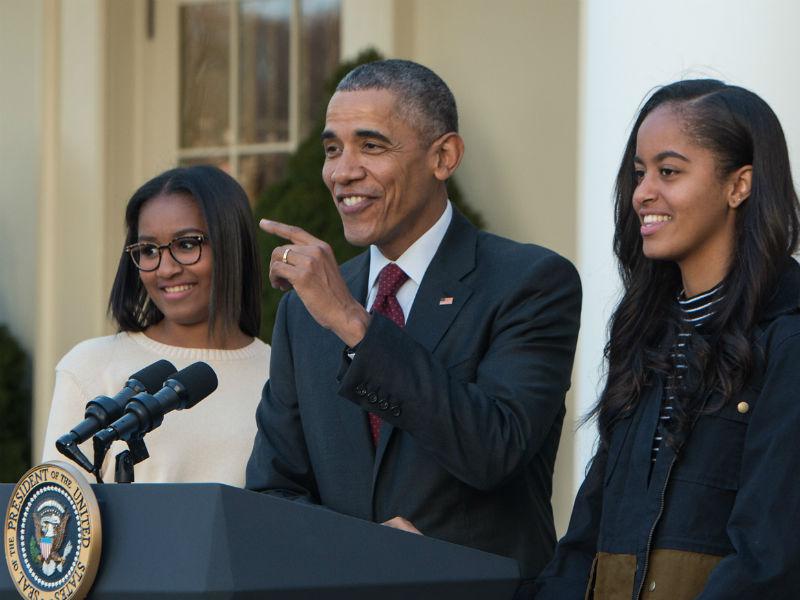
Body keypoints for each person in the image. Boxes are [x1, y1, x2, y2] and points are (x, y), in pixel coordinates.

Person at [245, 59, 581, 581]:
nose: (341, 171)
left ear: (444, 156)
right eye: (332, 149)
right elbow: (273, 491)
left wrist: (356, 327)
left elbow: (495, 449)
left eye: (371, 146)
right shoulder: (302, 310)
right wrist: (361, 554)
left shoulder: (531, 282)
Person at [534, 80, 800, 599]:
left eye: (669, 171)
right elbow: (591, 527)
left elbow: (771, 556)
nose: (642, 192)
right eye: (639, 173)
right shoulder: (646, 333)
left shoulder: (787, 336)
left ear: (738, 185)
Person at [42, 165, 269, 486]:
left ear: (232, 244)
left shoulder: (280, 376)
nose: (165, 269)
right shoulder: (90, 366)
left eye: (187, 244)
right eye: (148, 250)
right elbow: (56, 515)